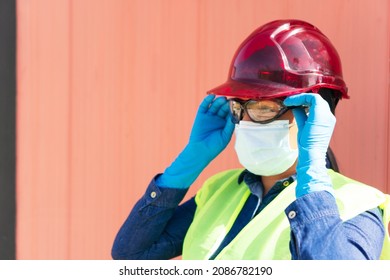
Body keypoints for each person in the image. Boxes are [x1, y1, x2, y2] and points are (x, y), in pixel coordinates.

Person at [112, 19, 390, 260]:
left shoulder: (357, 205)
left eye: (263, 108)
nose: (244, 122)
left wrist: (313, 177)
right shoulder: (220, 192)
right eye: (240, 107)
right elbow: (132, 254)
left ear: (312, 113)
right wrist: (188, 163)